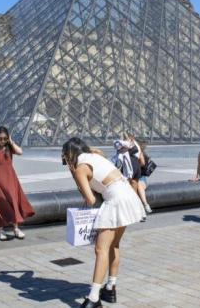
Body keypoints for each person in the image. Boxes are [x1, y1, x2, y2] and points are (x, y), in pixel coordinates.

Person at [61, 137, 145, 308]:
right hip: (128, 195)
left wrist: (73, 174)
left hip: (116, 200)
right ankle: (110, 288)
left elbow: (90, 199)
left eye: (64, 158)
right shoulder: (95, 156)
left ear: (69, 156)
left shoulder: (80, 168)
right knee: (114, 245)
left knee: (101, 250)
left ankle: (93, 298)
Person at [0, 126, 34, 241]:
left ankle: (16, 228)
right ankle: (1, 230)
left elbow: (20, 152)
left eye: (4, 138)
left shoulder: (9, 146)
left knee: (13, 201)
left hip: (10, 178)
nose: (2, 141)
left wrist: (11, 141)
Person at [123, 132, 152, 214]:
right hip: (138, 177)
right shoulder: (137, 153)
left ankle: (145, 205)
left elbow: (142, 163)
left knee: (138, 185)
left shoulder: (139, 154)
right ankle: (141, 209)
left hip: (141, 178)